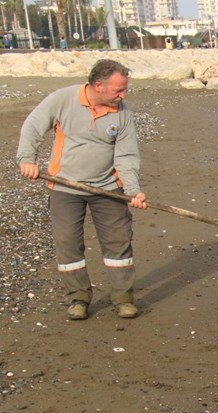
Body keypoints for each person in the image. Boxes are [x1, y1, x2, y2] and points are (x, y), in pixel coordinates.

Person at [16, 59, 148, 320]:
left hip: (108, 188)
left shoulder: (123, 112)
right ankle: (78, 298)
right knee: (68, 244)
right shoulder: (62, 99)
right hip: (65, 186)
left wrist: (132, 190)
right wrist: (27, 160)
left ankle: (122, 298)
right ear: (98, 85)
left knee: (118, 243)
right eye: (118, 90)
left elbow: (127, 155)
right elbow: (32, 127)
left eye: (124, 90)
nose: (123, 95)